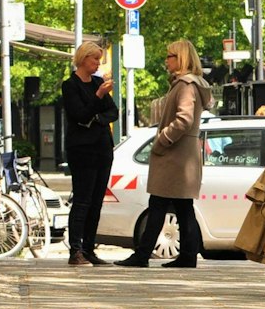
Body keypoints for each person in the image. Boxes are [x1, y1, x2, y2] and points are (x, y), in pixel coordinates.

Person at [117, 39, 212, 269]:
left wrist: (162, 139)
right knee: (181, 207)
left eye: (170, 56)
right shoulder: (189, 84)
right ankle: (186, 256)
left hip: (176, 156)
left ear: (180, 58)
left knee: (160, 204)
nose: (166, 61)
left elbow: (184, 119)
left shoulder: (186, 85)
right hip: (182, 157)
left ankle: (143, 255)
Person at [60, 41, 119, 266]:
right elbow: (80, 115)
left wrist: (97, 118)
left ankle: (89, 248)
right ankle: (75, 250)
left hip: (102, 148)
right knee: (82, 200)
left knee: (96, 201)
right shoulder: (71, 86)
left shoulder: (97, 82)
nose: (98, 63)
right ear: (84, 59)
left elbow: (112, 111)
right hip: (82, 150)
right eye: (95, 59)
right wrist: (98, 97)